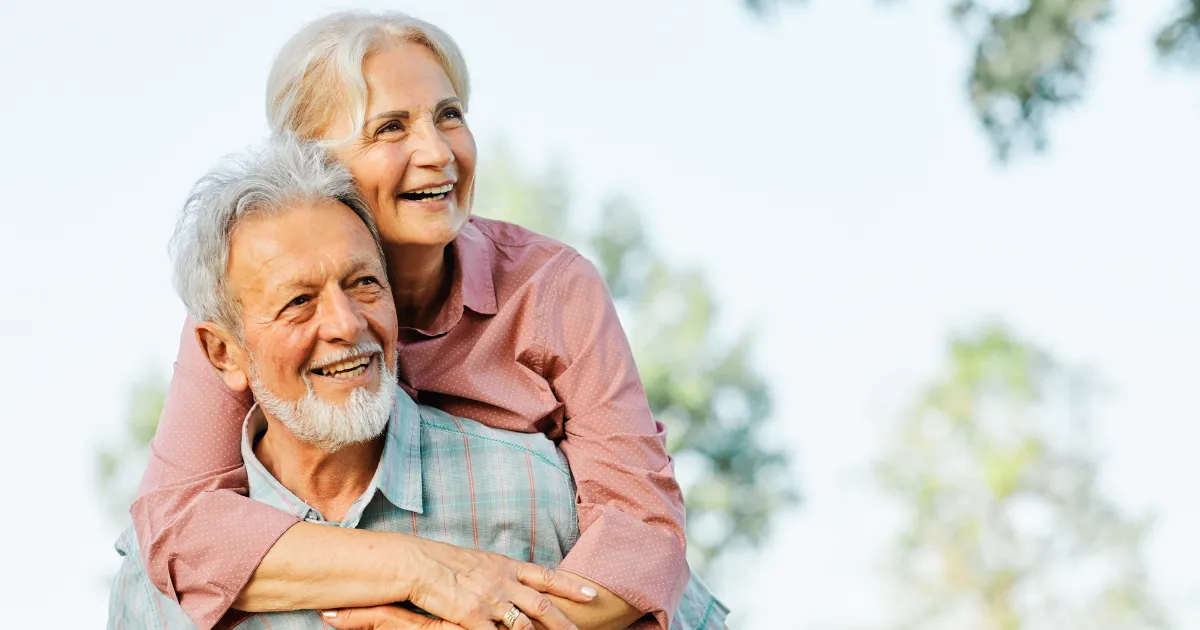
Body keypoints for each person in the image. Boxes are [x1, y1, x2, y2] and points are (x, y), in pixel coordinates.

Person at [110, 136, 726, 630]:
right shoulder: (158, 582)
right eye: (299, 302)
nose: (346, 324)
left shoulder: (543, 492)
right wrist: (422, 569)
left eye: (364, 284)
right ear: (223, 353)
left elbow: (652, 549)